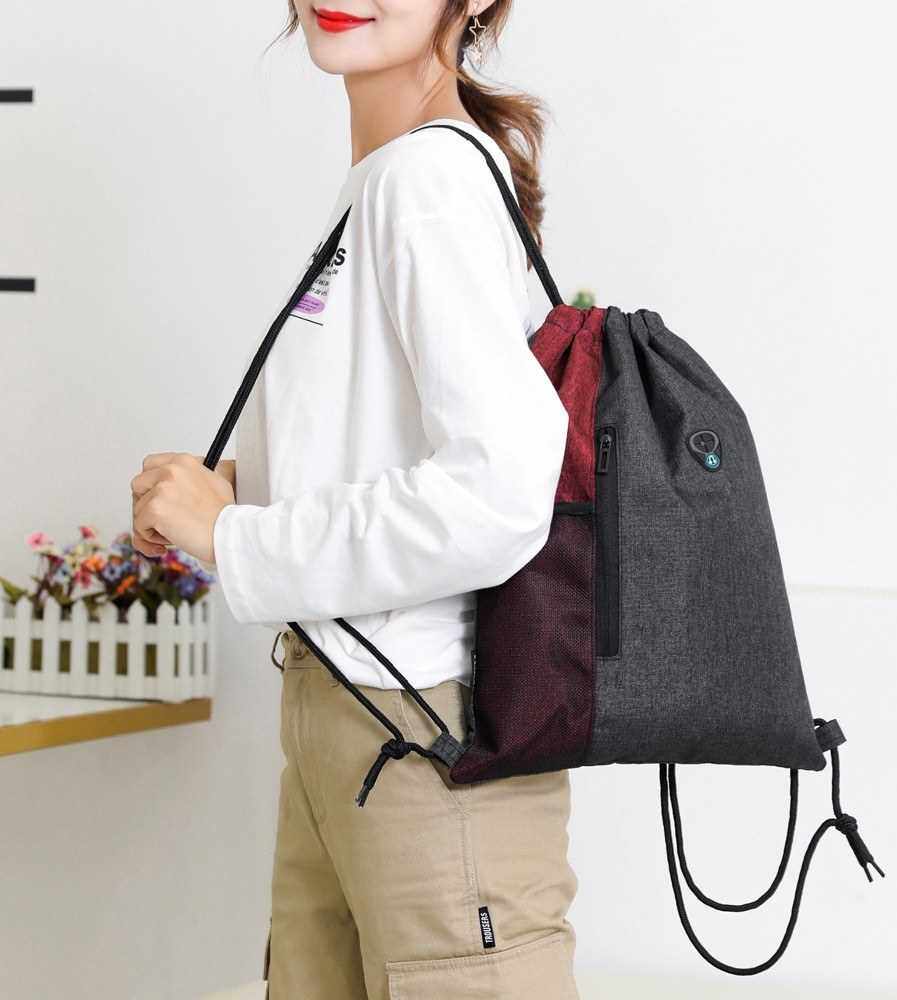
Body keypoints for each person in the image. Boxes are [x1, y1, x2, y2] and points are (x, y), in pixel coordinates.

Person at [128, 2, 579, 998]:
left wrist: (235, 537)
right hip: (353, 718)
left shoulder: (427, 183)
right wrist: (230, 495)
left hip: (423, 738)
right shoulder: (387, 179)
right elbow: (393, 441)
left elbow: (501, 488)